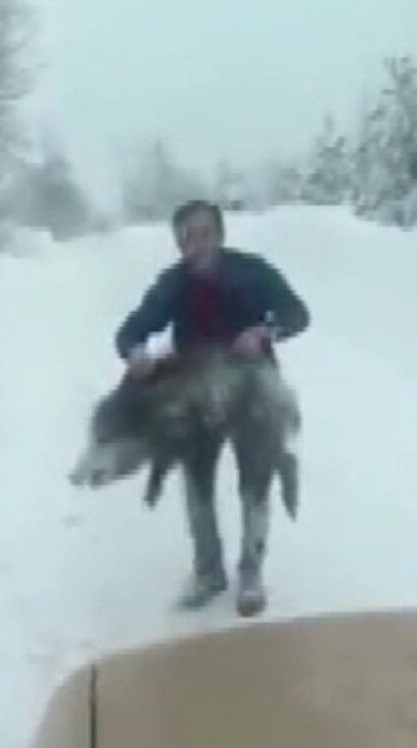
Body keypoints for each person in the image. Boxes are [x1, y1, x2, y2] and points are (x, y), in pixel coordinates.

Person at [115, 199, 309, 613]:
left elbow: (297, 313)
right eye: (187, 236)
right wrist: (135, 353)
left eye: (204, 232)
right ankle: (208, 571)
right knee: (196, 487)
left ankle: (251, 573)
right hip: (196, 393)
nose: (197, 243)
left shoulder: (253, 271)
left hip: (254, 391)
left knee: (255, 484)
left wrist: (264, 332)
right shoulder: (172, 284)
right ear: (179, 243)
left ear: (219, 234)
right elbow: (130, 330)